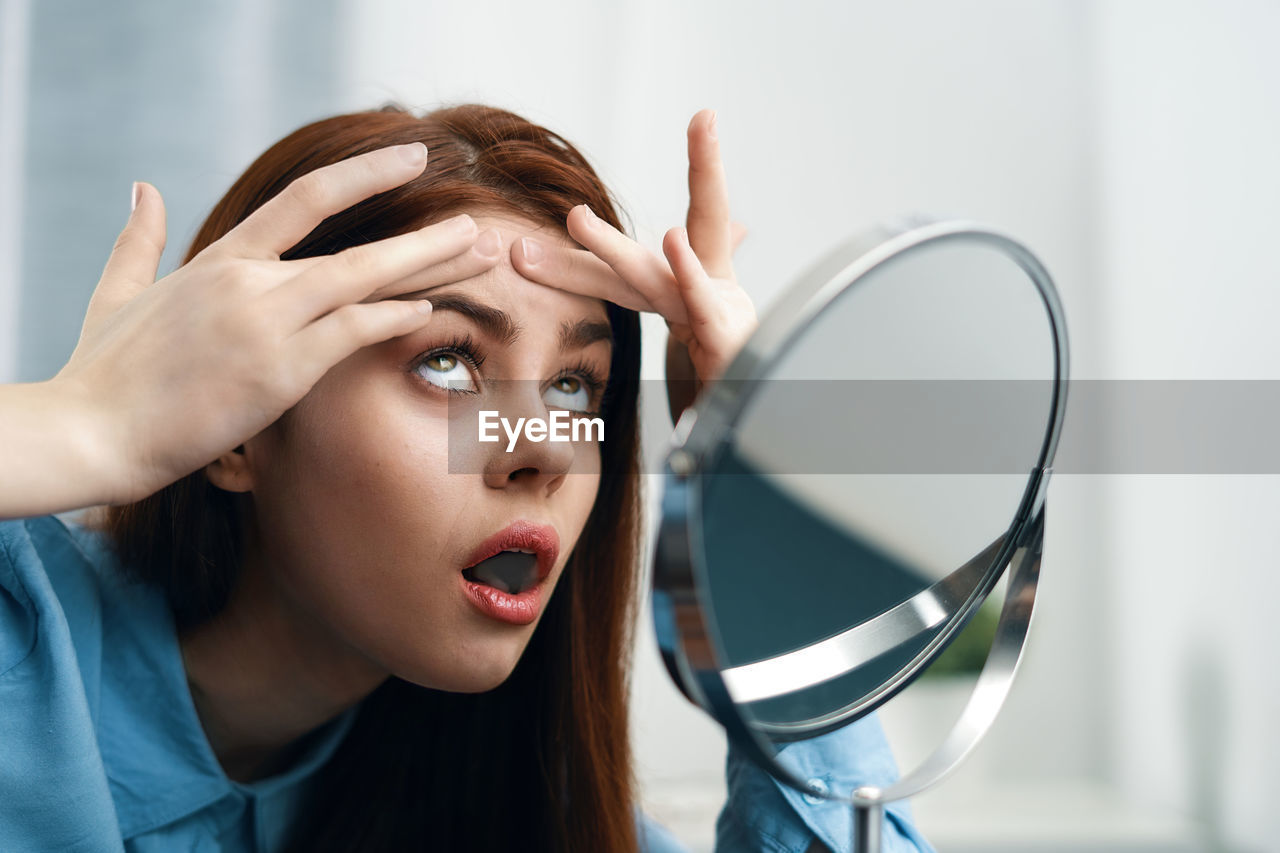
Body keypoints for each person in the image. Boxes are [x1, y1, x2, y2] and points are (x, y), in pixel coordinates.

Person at [0, 103, 933, 852]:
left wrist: (755, 494)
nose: (539, 448)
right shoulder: (20, 628)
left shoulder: (513, 804)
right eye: (448, 362)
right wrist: (82, 423)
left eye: (575, 386)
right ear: (238, 426)